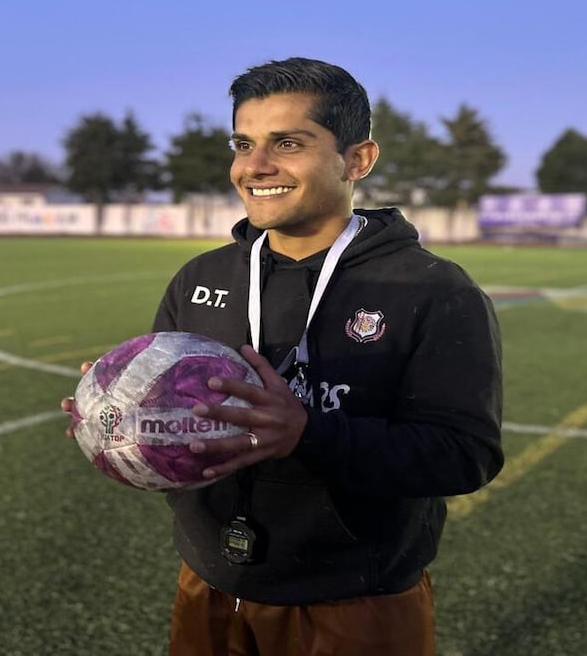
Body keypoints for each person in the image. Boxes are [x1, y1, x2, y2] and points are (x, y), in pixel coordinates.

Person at [62, 57, 503, 656]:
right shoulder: (201, 278)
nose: (254, 167)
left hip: (356, 597)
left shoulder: (431, 289)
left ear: (357, 160)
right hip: (210, 582)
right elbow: (176, 435)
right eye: (243, 144)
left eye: (287, 143)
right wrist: (129, 427)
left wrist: (308, 434)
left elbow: (464, 455)